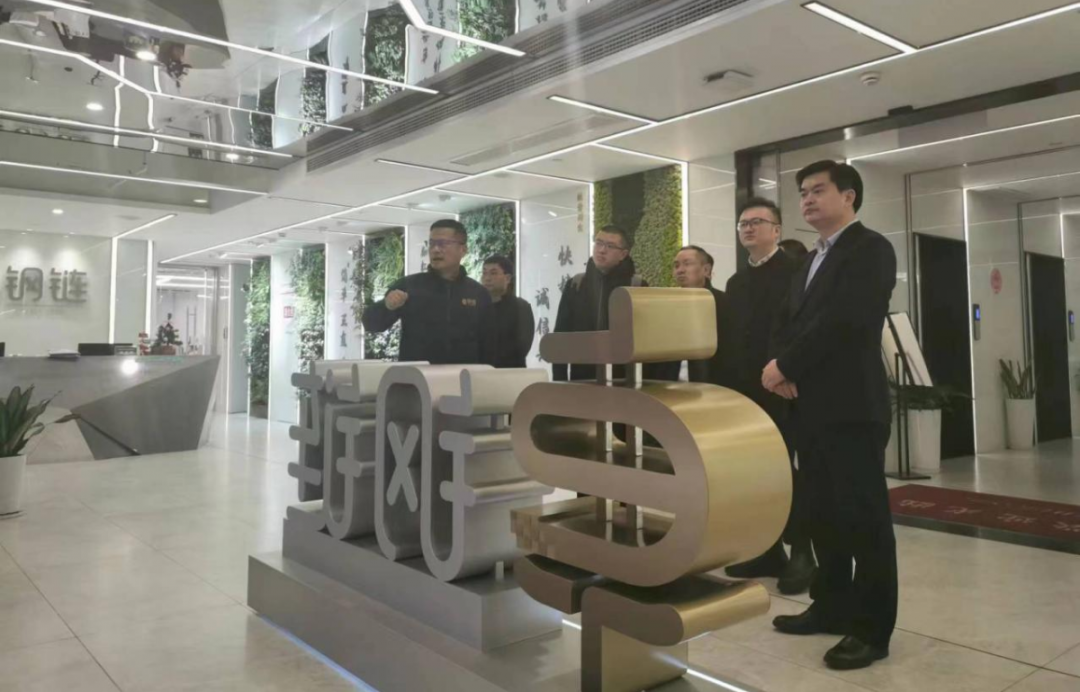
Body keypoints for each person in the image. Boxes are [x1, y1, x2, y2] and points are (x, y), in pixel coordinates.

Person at [765, 161, 898, 671]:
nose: (807, 199)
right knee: (822, 514)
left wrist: (787, 365)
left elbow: (848, 320)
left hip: (851, 408)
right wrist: (781, 367)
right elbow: (786, 320)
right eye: (803, 192)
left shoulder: (871, 249)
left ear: (849, 196)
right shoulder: (810, 259)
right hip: (808, 405)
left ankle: (872, 629)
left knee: (865, 520)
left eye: (818, 190)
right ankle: (832, 605)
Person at [724, 198, 816, 596]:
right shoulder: (736, 282)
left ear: (776, 230)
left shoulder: (798, 271)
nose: (748, 228)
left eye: (757, 222)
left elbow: (804, 328)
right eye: (743, 223)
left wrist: (790, 370)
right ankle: (768, 549)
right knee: (759, 471)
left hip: (786, 387)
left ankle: (803, 552)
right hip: (747, 392)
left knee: (790, 469)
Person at [362, 220, 491, 364]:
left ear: (463, 249)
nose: (435, 249)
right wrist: (386, 306)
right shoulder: (409, 286)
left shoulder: (478, 293)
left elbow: (488, 343)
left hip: (463, 375)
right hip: (417, 375)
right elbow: (370, 323)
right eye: (432, 243)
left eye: (443, 243)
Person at [552, 225, 645, 382]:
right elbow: (561, 335)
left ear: (623, 254)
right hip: (581, 378)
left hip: (624, 379)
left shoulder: (637, 286)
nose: (602, 250)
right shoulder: (576, 284)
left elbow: (644, 339)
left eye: (610, 246)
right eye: (599, 243)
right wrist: (559, 380)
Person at [651, 246, 735, 386]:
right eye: (676, 265)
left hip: (714, 384)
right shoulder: (667, 304)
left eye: (687, 264)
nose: (680, 270)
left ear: (706, 270)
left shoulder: (724, 303)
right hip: (670, 384)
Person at [480, 255, 535, 368]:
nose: (487, 278)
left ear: (508, 278)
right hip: (480, 371)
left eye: (493, 273)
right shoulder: (477, 306)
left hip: (511, 371)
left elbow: (523, 346)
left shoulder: (521, 307)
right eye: (484, 273)